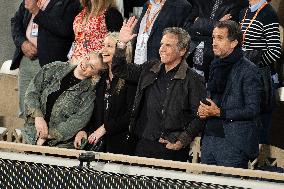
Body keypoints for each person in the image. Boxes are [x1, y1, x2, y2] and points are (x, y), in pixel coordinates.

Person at [112, 17, 206, 161]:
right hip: (142, 143)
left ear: (182, 50)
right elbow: (119, 69)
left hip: (170, 148)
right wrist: (122, 43)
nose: (161, 48)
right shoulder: (150, 68)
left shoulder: (193, 80)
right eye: (162, 44)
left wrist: (182, 140)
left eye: (168, 45)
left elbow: (199, 116)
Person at [198, 20, 262, 168]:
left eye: (220, 38)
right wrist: (203, 110)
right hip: (208, 139)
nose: (214, 42)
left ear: (234, 43)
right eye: (213, 37)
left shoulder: (249, 70)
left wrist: (220, 112)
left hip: (232, 143)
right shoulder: (214, 65)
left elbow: (252, 109)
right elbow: (211, 99)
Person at [11, 0, 81, 118]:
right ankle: (28, 135)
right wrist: (22, 43)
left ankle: (42, 135)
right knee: (25, 108)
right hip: (26, 60)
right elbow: (15, 21)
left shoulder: (70, 2)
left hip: (51, 63)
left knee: (46, 110)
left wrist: (37, 12)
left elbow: (65, 29)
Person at [22, 52, 108, 148]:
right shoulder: (55, 68)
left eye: (91, 67)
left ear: (95, 75)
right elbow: (32, 92)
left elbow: (75, 122)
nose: (85, 64)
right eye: (87, 58)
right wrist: (38, 117)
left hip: (58, 147)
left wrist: (46, 135)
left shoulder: (89, 95)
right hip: (31, 135)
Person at [74, 32, 137, 155]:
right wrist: (84, 130)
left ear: (121, 50)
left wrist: (105, 128)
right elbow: (91, 109)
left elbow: (131, 115)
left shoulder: (131, 77)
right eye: (103, 45)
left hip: (120, 145)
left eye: (109, 46)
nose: (103, 49)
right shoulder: (100, 77)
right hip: (96, 143)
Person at [240, 0, 282, 144]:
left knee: (258, 128)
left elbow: (275, 51)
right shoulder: (244, 12)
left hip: (261, 79)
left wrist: (253, 65)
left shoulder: (268, 13)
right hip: (243, 76)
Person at [187, 0, 248, 80]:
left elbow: (226, 30)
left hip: (215, 54)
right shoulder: (199, 1)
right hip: (192, 49)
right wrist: (218, 23)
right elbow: (188, 25)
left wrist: (199, 21)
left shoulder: (238, 3)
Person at [132, 0, 193, 65]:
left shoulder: (181, 6)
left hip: (159, 68)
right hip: (138, 64)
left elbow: (183, 42)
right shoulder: (147, 4)